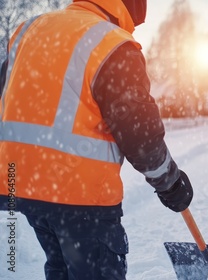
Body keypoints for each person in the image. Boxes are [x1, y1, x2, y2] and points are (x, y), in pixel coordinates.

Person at [0, 0, 193, 279]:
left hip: (22, 187)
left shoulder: (30, 30)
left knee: (61, 269)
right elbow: (139, 134)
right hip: (80, 197)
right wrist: (170, 182)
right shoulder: (112, 43)